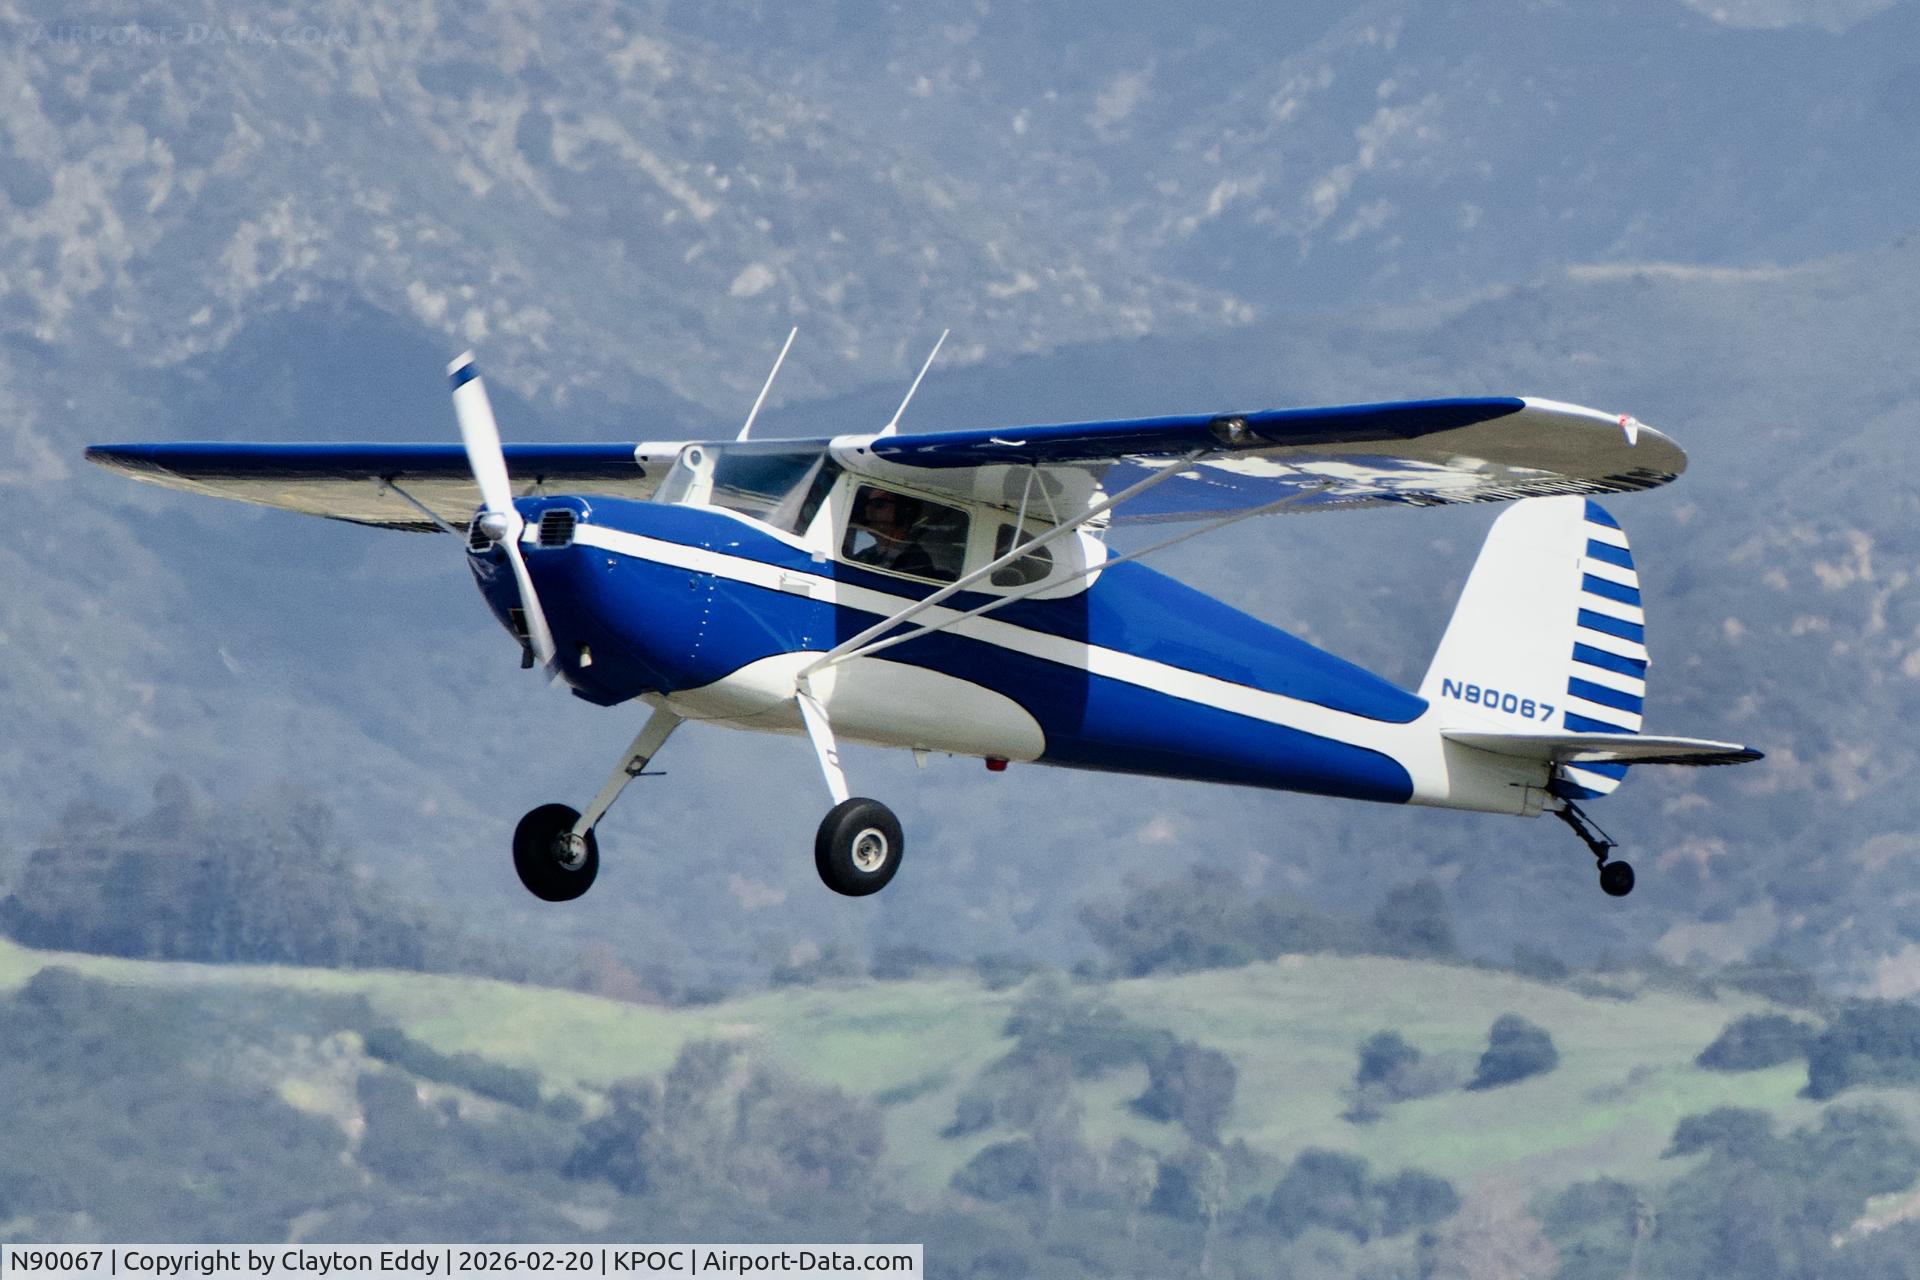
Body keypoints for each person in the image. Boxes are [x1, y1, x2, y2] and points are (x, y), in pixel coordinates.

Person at [847, 487, 939, 577]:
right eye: (868, 505)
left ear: (903, 512)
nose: (868, 510)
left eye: (878, 504)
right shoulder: (866, 555)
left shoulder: (915, 560)